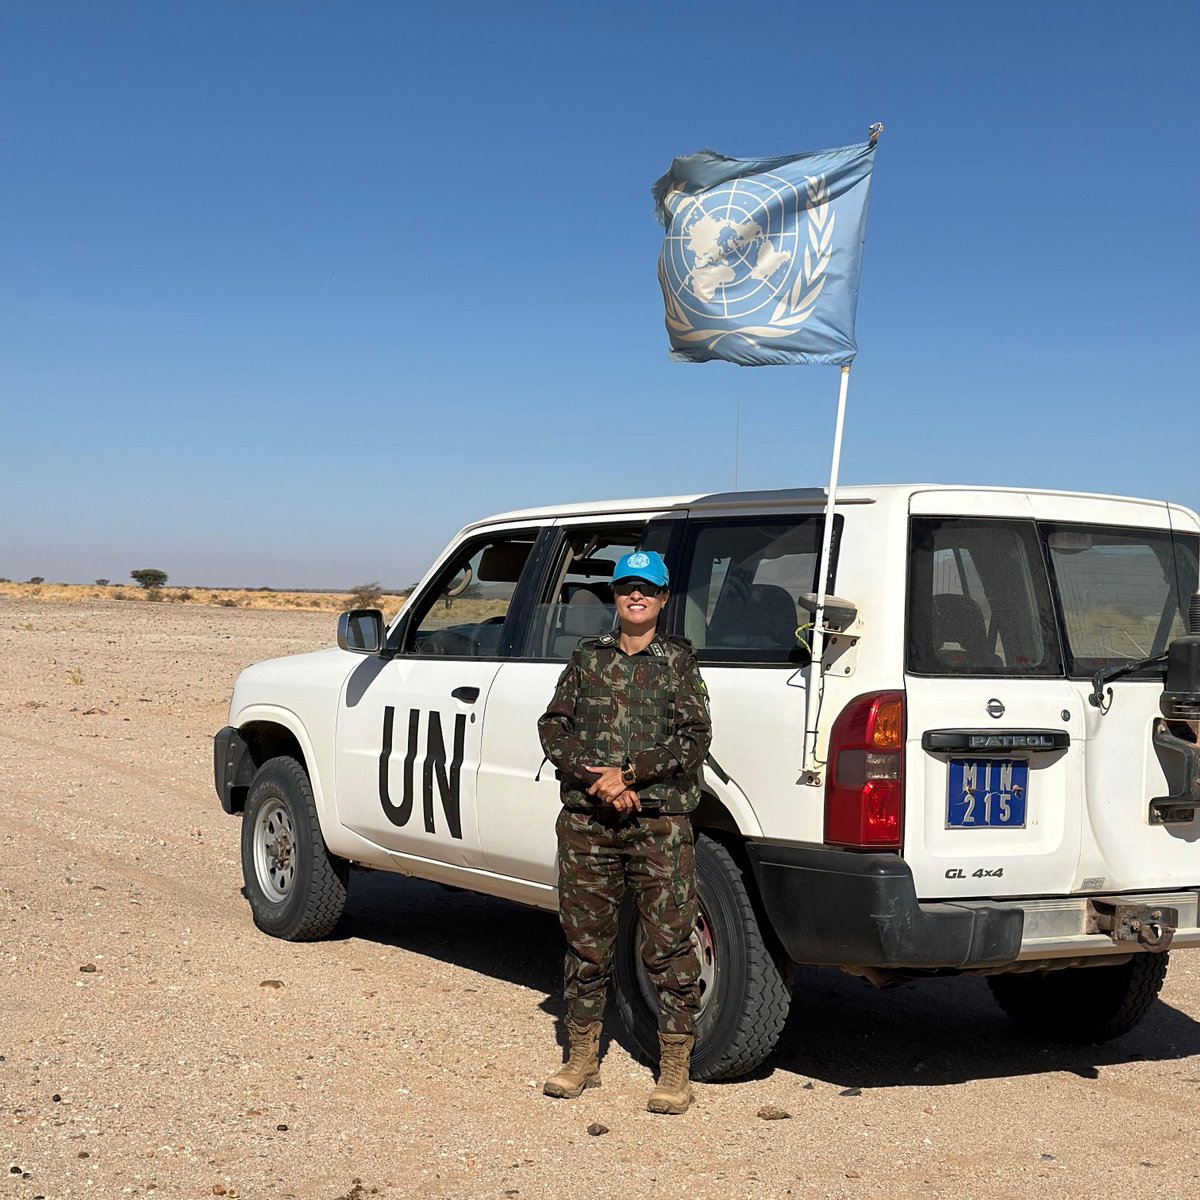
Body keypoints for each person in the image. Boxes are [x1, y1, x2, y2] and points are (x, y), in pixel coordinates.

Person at [537, 550, 712, 1115]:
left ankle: (675, 1068)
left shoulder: (679, 664)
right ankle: (582, 1057)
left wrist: (631, 774)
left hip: (657, 825)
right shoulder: (587, 659)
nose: (635, 597)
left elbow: (693, 738)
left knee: (668, 946)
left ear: (663, 600)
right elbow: (553, 727)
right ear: (615, 597)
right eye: (625, 588)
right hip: (590, 822)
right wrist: (601, 782)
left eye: (647, 589)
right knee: (586, 943)